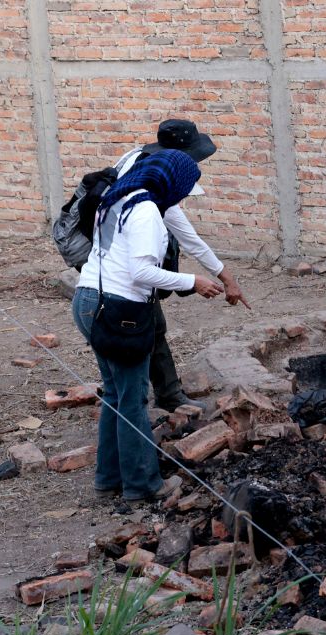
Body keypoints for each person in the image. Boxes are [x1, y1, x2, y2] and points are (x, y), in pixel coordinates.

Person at [72, 150, 225, 504]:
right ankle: (143, 485)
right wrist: (193, 281)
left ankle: (108, 480)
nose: (184, 196)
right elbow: (141, 271)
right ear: (171, 183)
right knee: (133, 400)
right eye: (185, 189)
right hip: (116, 309)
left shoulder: (116, 199)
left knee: (115, 395)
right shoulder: (145, 212)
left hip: (89, 301)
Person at [114, 119, 250, 411]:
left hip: (111, 261)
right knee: (147, 326)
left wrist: (227, 279)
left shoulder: (140, 164)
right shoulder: (150, 198)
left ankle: (144, 394)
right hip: (119, 272)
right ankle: (155, 399)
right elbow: (186, 241)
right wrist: (200, 281)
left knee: (147, 327)